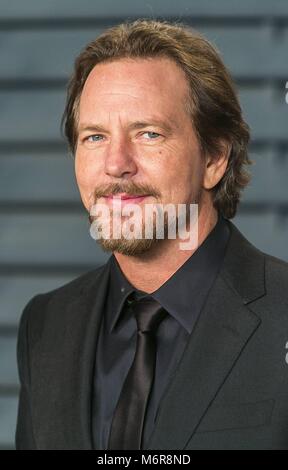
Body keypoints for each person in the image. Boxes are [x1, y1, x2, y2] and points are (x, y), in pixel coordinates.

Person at [15, 19, 288, 450]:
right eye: (95, 136)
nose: (116, 163)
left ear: (215, 158)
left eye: (148, 133)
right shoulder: (45, 325)